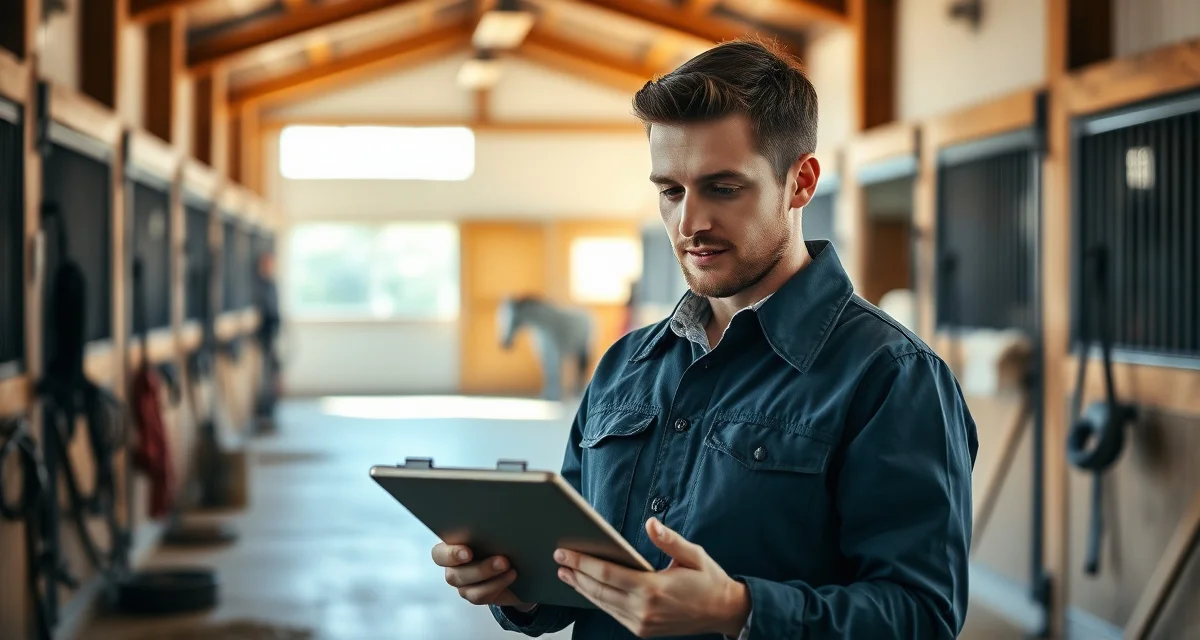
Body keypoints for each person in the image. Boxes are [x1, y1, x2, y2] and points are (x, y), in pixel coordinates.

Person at [431, 38, 979, 639]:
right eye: (670, 191)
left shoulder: (893, 375)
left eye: (722, 188)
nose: (690, 223)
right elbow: (582, 570)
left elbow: (923, 617)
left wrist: (738, 610)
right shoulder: (625, 365)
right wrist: (518, 586)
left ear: (800, 182)